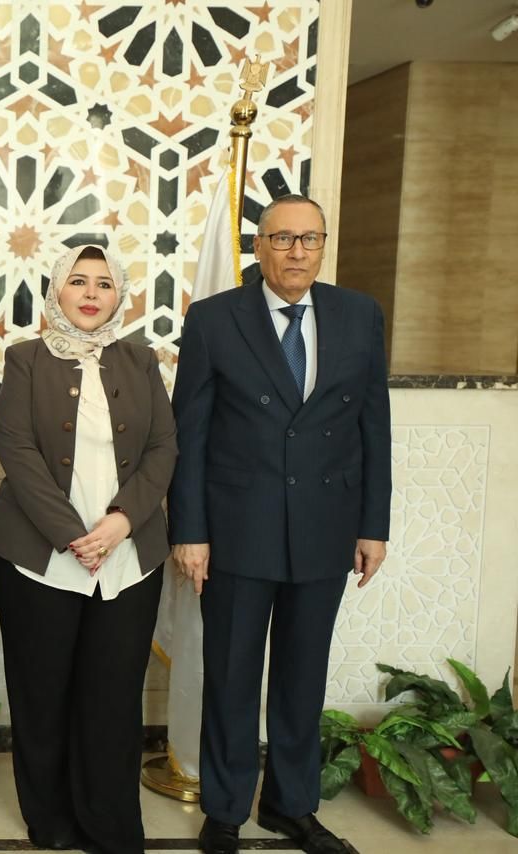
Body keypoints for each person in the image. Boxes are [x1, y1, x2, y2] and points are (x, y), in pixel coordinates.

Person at [168, 194, 391, 854]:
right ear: (259, 246)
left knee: (302, 677)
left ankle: (292, 806)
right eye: (283, 238)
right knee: (231, 676)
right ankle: (225, 809)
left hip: (326, 527)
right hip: (238, 530)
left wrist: (373, 525)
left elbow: (373, 426)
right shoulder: (214, 319)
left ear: (323, 246)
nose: (297, 251)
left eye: (309, 238)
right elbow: (190, 434)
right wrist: (190, 530)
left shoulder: (359, 315)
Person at [0, 243, 176, 854]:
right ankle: (51, 820)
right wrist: (71, 534)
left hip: (128, 556)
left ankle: (110, 823)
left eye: (104, 284)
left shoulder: (141, 361)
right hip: (36, 556)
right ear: (57, 291)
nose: (91, 294)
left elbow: (163, 448)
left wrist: (121, 522)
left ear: (119, 297)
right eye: (79, 281)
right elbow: (16, 449)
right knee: (42, 693)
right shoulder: (25, 359)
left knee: (113, 695)